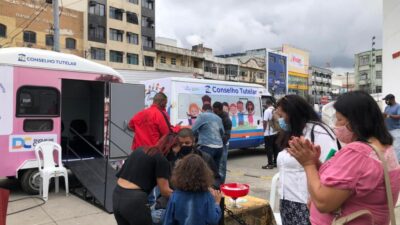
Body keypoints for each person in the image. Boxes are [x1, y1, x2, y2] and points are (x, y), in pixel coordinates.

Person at [288, 91, 400, 225]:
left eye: (340, 119)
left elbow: (323, 202)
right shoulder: (382, 147)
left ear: (357, 121)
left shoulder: (358, 153)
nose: (336, 124)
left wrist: (308, 164)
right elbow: (346, 182)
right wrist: (316, 163)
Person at [275, 95, 339, 225]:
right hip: (287, 200)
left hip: (306, 202)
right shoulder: (293, 132)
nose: (280, 120)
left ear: (293, 114)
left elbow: (329, 166)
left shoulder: (317, 131)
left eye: (282, 116)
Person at [150, 128, 222, 225]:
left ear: (193, 141)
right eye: (181, 143)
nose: (184, 146)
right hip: (171, 199)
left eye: (187, 143)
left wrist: (210, 188)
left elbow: (216, 179)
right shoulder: (171, 157)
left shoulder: (205, 157)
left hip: (199, 197)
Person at [113, 134, 177, 225]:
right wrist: (183, 198)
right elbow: (165, 191)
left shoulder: (141, 150)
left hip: (117, 194)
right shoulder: (162, 160)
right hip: (134, 200)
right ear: (171, 147)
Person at [162, 154, 223, 225]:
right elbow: (213, 220)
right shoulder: (207, 196)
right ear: (205, 174)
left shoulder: (175, 196)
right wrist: (217, 203)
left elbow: (168, 221)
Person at [192, 104, 225, 172]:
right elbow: (222, 133)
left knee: (205, 171)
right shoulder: (218, 118)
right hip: (219, 147)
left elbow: (193, 130)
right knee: (215, 171)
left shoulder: (202, 116)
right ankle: (216, 182)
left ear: (203, 110)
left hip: (207, 146)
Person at [213, 102, 232, 184]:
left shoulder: (226, 120)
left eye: (216, 111)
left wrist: (219, 140)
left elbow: (227, 135)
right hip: (215, 143)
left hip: (223, 144)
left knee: (222, 165)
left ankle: (221, 184)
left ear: (221, 110)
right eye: (213, 111)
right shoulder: (214, 117)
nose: (214, 113)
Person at [262, 99, 279, 169]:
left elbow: (265, 121)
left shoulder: (267, 111)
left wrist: (264, 129)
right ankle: (275, 162)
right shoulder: (275, 110)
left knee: (269, 149)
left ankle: (270, 164)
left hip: (268, 133)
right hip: (276, 132)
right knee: (275, 148)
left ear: (267, 104)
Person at [383, 94, 400, 161]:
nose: (386, 101)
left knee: (396, 147)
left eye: (387, 100)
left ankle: (397, 162)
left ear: (392, 99)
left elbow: (399, 116)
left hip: (396, 130)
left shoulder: (398, 106)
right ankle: (391, 161)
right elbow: (385, 116)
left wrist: (389, 115)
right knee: (389, 146)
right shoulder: (387, 107)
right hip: (388, 130)